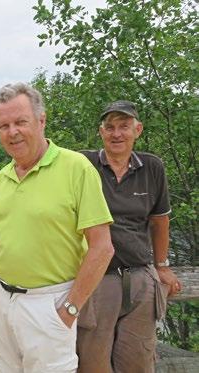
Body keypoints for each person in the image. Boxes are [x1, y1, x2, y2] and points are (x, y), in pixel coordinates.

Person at [0, 82, 115, 373]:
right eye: (3, 125)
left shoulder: (77, 168)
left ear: (41, 121)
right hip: (2, 299)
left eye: (20, 122)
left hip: (49, 304)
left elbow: (102, 248)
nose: (12, 132)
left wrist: (69, 309)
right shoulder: (1, 178)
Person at [77, 100, 182, 373]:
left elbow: (160, 221)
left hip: (140, 279)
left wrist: (162, 266)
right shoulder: (83, 164)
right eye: (109, 127)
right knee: (92, 362)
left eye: (124, 127)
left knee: (138, 361)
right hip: (95, 281)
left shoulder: (152, 167)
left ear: (138, 130)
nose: (116, 134)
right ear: (101, 132)